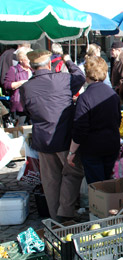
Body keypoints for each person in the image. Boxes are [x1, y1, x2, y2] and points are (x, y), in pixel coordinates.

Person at [19, 50, 85, 222]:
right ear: (49, 64)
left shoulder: (26, 87)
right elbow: (80, 76)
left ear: (32, 68)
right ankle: (65, 212)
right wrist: (68, 60)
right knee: (72, 173)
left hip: (43, 139)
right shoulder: (63, 79)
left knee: (50, 181)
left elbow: (24, 109)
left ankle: (56, 217)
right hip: (64, 138)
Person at [67, 56, 121, 185]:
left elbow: (80, 128)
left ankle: (102, 205)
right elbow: (118, 120)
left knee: (97, 187)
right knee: (109, 183)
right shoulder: (113, 94)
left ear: (87, 75)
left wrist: (71, 152)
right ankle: (110, 204)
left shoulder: (85, 98)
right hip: (111, 144)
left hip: (93, 148)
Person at [3, 47, 32, 125]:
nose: (30, 61)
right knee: (22, 131)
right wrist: (21, 83)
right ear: (21, 60)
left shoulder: (33, 70)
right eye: (28, 59)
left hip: (33, 105)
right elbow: (7, 85)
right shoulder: (13, 70)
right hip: (20, 106)